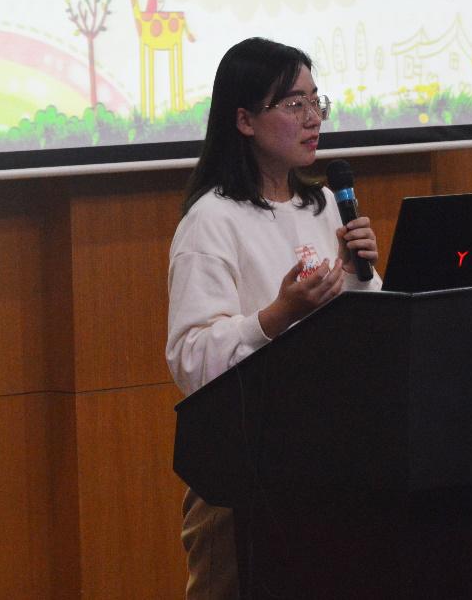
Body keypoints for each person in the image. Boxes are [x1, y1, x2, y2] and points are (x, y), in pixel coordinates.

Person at [166, 37, 382, 598]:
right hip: (241, 470)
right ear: (244, 120)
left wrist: (360, 276)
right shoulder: (211, 220)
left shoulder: (325, 205)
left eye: (316, 100)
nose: (313, 118)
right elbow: (191, 360)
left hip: (329, 460)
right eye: (293, 104)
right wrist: (278, 315)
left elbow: (366, 332)